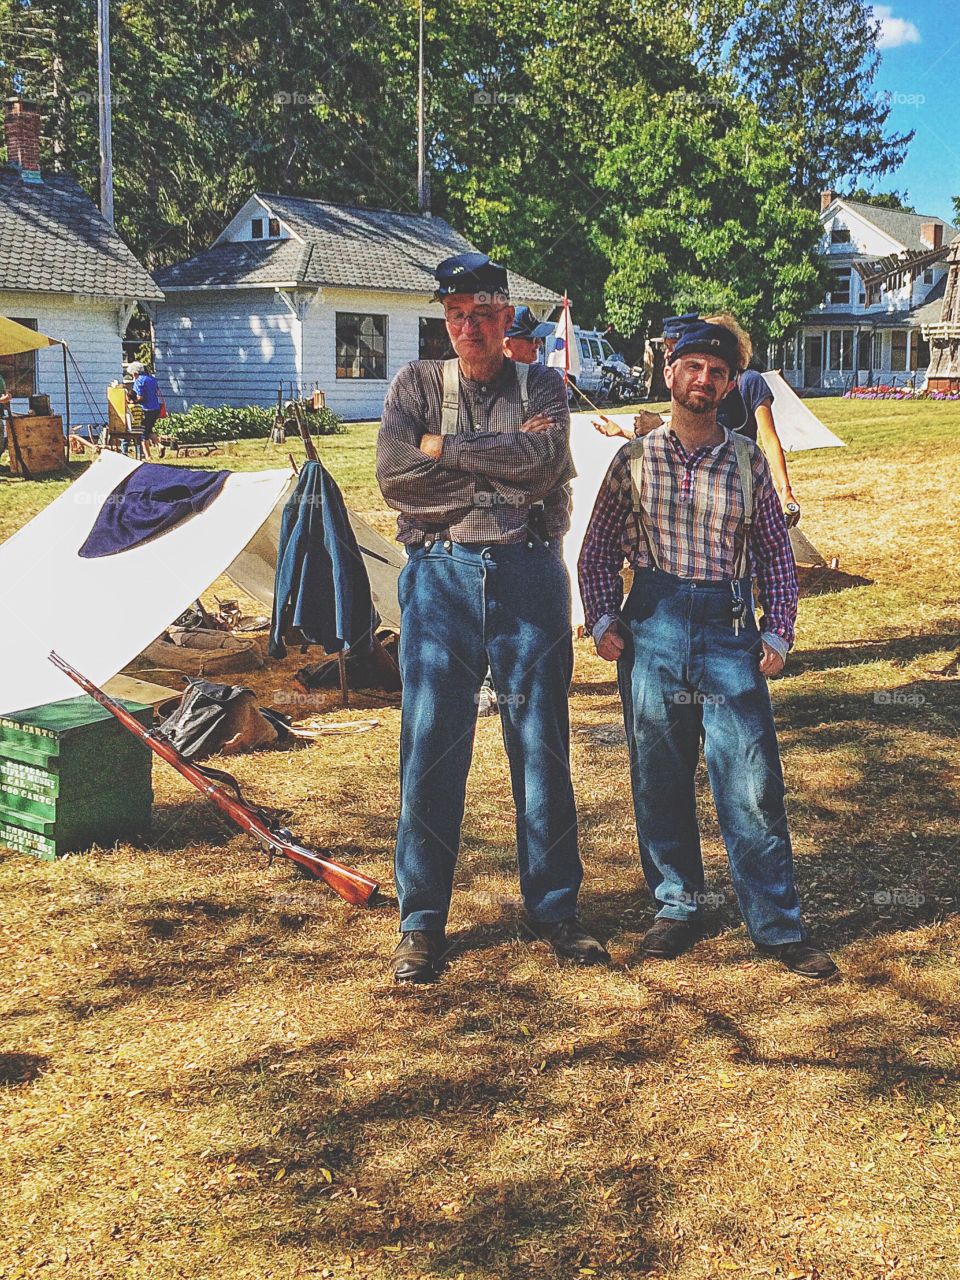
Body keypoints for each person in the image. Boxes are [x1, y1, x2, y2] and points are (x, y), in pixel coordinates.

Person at [578, 319, 837, 980]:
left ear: (729, 384)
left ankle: (778, 926)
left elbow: (777, 559)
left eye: (717, 373)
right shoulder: (634, 459)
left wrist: (778, 629)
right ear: (670, 373)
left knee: (751, 780)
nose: (704, 380)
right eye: (692, 367)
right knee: (658, 775)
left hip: (727, 629)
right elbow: (597, 551)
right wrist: (604, 615)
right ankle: (678, 904)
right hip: (654, 624)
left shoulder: (748, 461)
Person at [376, 251, 609, 984]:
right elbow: (397, 479)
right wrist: (493, 472)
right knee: (430, 746)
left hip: (528, 577)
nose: (469, 328)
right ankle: (421, 926)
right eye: (455, 316)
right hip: (441, 579)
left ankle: (555, 909)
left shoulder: (541, 381)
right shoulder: (415, 384)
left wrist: (448, 452)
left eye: (482, 314)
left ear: (507, 317)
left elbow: (544, 462)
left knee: (540, 743)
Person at [593, 313, 800, 527]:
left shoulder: (748, 382)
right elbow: (673, 440)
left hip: (734, 488)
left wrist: (785, 491)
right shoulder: (690, 386)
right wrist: (622, 432)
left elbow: (769, 438)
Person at [126, 361, 162, 460]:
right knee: (149, 429)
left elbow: (140, 397)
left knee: (143, 434)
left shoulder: (139, 381)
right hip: (156, 408)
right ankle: (160, 445)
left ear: (134, 373)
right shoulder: (152, 379)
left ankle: (147, 456)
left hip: (146, 409)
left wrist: (131, 401)